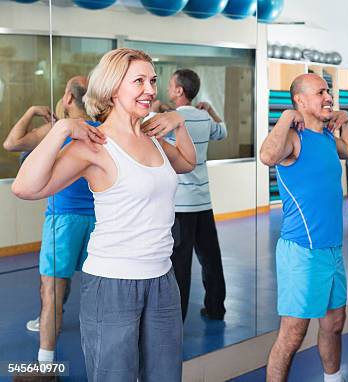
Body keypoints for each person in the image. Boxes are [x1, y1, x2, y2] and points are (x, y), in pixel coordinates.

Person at [11, 48, 196, 381]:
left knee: (166, 376)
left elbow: (185, 162)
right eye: (138, 81)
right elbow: (25, 187)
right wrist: (62, 129)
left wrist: (179, 124)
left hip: (162, 280)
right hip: (113, 283)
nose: (150, 90)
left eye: (152, 80)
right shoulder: (95, 144)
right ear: (113, 87)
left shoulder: (151, 135)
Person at [260, 73, 348, 382]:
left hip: (330, 249)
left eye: (328, 91)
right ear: (301, 100)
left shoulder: (327, 137)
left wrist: (346, 120)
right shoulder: (293, 138)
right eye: (320, 92)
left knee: (334, 322)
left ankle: (333, 378)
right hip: (301, 251)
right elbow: (266, 155)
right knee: (293, 333)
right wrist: (287, 116)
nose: (328, 96)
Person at [4, 77, 93, 366]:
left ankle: (45, 363)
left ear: (68, 98)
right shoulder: (102, 129)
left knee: (52, 287)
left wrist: (32, 111)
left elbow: (11, 143)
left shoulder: (56, 130)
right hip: (100, 219)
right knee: (100, 287)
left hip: (64, 220)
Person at [158, 68, 228, 321]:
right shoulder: (202, 117)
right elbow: (223, 131)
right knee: (211, 257)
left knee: (180, 264)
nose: (167, 88)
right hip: (203, 202)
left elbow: (148, 132)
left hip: (180, 206)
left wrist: (157, 110)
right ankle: (215, 308)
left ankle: (178, 317)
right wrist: (210, 110)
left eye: (170, 85)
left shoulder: (168, 119)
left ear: (179, 91)